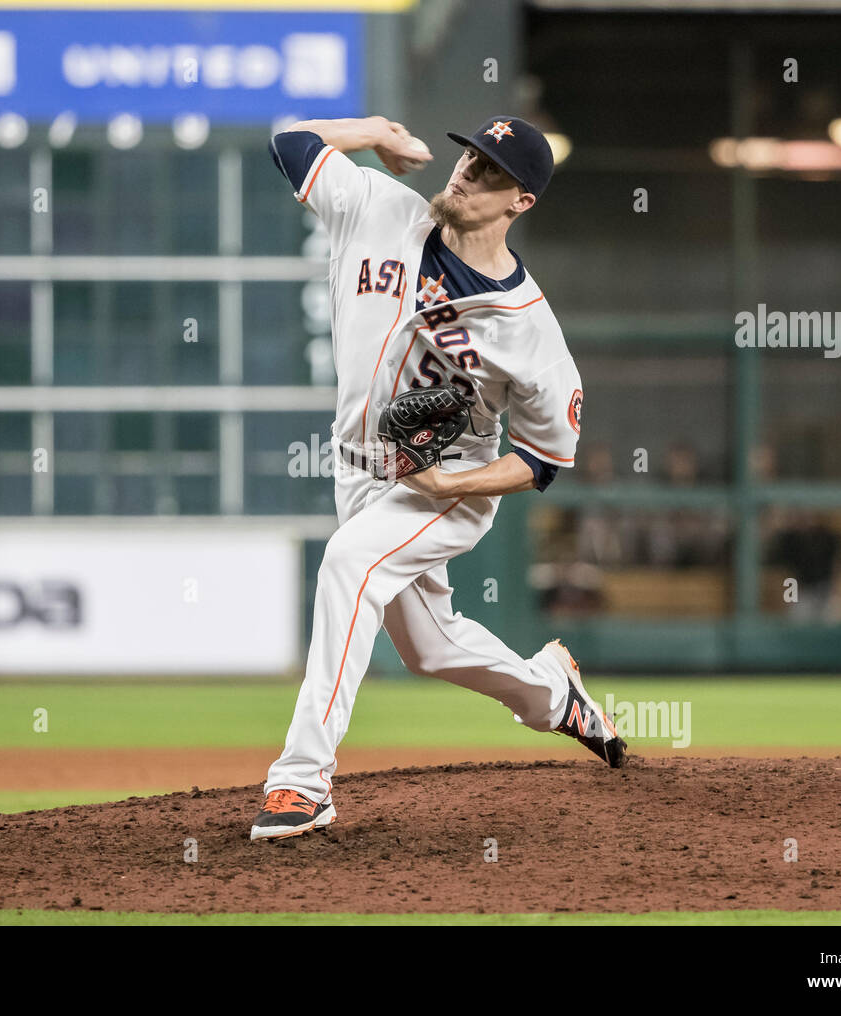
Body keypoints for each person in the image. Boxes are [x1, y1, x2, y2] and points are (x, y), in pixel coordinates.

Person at [252, 114, 625, 842]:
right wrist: (372, 132)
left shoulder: (529, 331)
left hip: (444, 485)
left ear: (522, 201)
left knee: (348, 565)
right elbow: (289, 140)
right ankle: (556, 695)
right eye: (469, 157)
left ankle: (301, 781)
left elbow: (545, 460)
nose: (467, 172)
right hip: (358, 471)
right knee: (430, 648)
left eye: (490, 170)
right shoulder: (376, 208)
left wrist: (454, 489)